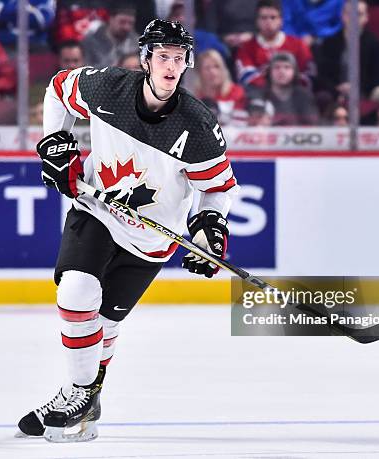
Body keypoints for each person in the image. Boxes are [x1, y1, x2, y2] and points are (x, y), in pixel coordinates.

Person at [16, 19, 238, 443]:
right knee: (76, 291)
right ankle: (80, 393)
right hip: (97, 209)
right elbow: (57, 89)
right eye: (162, 56)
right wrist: (54, 143)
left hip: (152, 238)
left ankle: (84, 393)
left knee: (103, 322)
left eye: (178, 58)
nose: (170, 66)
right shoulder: (107, 87)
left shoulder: (198, 125)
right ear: (145, 59)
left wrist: (211, 229)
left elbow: (217, 192)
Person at [235, 0, 314, 88]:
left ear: (281, 21)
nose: (268, 22)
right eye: (263, 18)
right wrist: (273, 87)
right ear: (257, 21)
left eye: (273, 17)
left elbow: (308, 75)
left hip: (293, 95)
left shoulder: (299, 45)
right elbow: (245, 76)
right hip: (259, 95)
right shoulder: (246, 47)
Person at [314, 0, 379, 102]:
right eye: (349, 13)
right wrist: (337, 88)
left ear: (366, 17)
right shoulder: (329, 42)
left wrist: (355, 88)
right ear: (342, 15)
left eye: (358, 14)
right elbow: (323, 75)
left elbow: (375, 77)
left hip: (363, 93)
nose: (353, 18)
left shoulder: (374, 44)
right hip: (334, 92)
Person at [249, 51, 319, 125]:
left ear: (295, 72)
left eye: (287, 67)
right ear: (269, 72)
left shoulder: (304, 95)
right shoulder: (258, 95)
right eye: (277, 67)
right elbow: (255, 124)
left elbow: (311, 125)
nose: (282, 71)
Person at [196, 49, 248, 126]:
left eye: (216, 66)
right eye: (207, 68)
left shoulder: (237, 92)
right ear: (200, 72)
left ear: (223, 69)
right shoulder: (196, 97)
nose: (212, 72)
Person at [81, 3, 139, 68]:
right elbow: (85, 68)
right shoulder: (91, 41)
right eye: (122, 22)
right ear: (111, 19)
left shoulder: (136, 42)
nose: (126, 27)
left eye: (130, 23)